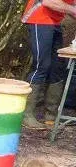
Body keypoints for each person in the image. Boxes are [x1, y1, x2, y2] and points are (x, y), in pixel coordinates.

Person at [20, 0, 76, 129]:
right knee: (41, 66)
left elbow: (73, 6)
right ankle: (26, 114)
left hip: (55, 22)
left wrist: (73, 9)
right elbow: (48, 2)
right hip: (39, 18)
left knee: (57, 68)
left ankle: (51, 117)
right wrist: (73, 10)